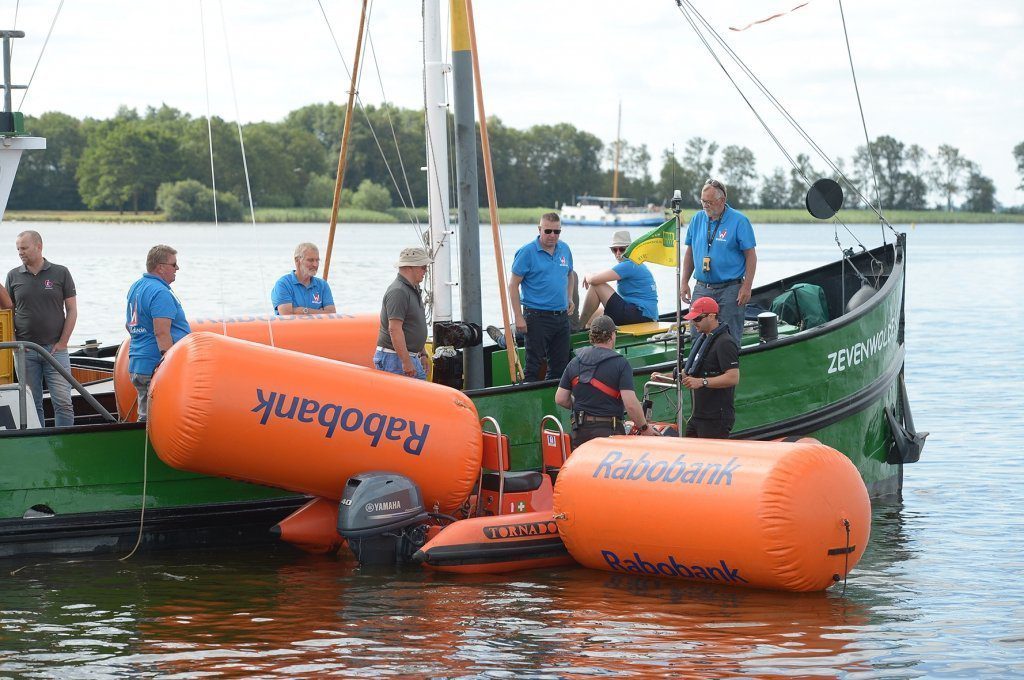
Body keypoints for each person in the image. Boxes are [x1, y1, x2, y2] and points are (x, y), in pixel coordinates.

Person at [3, 230, 78, 427]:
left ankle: (64, 446)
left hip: (56, 349)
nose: (20, 252)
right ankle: (40, 448)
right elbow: (7, 313)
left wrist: (63, 343)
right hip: (24, 351)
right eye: (18, 248)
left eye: (24, 248)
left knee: (63, 402)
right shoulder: (13, 276)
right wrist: (14, 343)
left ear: (39, 246)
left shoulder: (60, 272)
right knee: (31, 403)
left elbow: (71, 310)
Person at [555, 315, 656, 449]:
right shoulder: (621, 364)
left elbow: (560, 398)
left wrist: (584, 407)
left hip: (580, 433)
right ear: (612, 335)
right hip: (609, 434)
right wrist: (644, 428)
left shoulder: (575, 361)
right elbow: (630, 404)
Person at [680, 178, 757, 344]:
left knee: (728, 337)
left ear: (722, 200)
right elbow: (690, 252)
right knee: (698, 335)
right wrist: (684, 282)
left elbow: (751, 256)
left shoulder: (739, 221)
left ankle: (729, 370)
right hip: (702, 287)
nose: (706, 205)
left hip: (730, 289)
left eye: (709, 202)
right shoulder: (697, 219)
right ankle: (698, 369)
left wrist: (747, 286)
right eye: (703, 201)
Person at [125, 245, 191, 421]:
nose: (177, 268)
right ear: (160, 267)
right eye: (174, 264)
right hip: (155, 366)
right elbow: (161, 332)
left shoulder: (136, 287)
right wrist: (170, 366)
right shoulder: (160, 292)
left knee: (146, 417)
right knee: (160, 421)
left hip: (138, 363)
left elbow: (129, 325)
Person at [508, 213, 574, 381]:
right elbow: (513, 284)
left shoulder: (564, 249)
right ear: (539, 230)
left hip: (561, 317)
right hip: (536, 316)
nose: (553, 235)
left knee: (560, 366)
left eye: (557, 231)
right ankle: (527, 404)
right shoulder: (527, 252)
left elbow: (570, 275)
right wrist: (518, 316)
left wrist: (570, 298)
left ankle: (551, 404)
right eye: (548, 231)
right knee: (533, 366)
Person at [680, 297, 739, 438]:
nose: (694, 323)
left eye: (698, 319)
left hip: (716, 418)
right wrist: (665, 377)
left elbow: (733, 377)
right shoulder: (703, 339)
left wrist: (702, 382)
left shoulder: (725, 342)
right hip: (698, 415)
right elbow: (689, 373)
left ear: (712, 316)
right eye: (692, 319)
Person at [577, 230, 658, 327]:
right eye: (614, 250)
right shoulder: (636, 263)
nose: (618, 253)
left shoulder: (629, 264)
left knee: (597, 286)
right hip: (644, 315)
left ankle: (578, 327)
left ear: (630, 249)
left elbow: (594, 280)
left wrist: (587, 275)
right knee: (593, 315)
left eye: (622, 249)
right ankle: (588, 332)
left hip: (640, 315)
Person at [374, 247, 431, 380]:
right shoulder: (398, 291)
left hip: (406, 356)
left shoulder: (412, 289)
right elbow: (394, 329)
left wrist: (422, 354)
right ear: (410, 267)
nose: (426, 271)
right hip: (394, 358)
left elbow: (413, 324)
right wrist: (405, 361)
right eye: (423, 267)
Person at [271, 242, 337, 315]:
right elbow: (286, 314)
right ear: (297, 260)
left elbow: (332, 314)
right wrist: (321, 312)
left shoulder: (322, 285)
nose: (315, 264)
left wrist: (303, 310)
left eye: (317, 260)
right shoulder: (283, 284)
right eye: (310, 260)